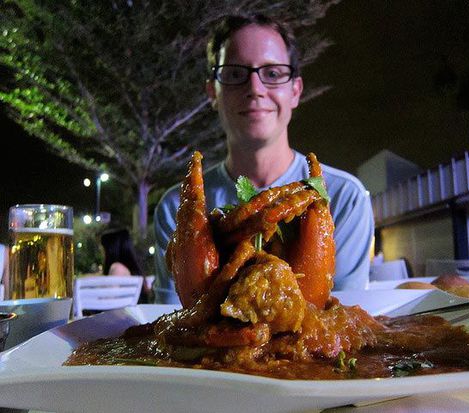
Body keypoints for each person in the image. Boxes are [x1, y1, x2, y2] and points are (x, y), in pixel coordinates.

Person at [153, 13, 374, 304]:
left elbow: (343, 316)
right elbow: (171, 324)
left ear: (295, 91)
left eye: (273, 73)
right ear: (212, 92)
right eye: (234, 74)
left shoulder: (345, 197)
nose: (255, 89)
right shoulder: (175, 207)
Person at [100, 228, 149, 302]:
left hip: (117, 312)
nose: (102, 252)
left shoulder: (117, 268)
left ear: (111, 249)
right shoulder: (129, 268)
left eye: (103, 248)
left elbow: (109, 301)